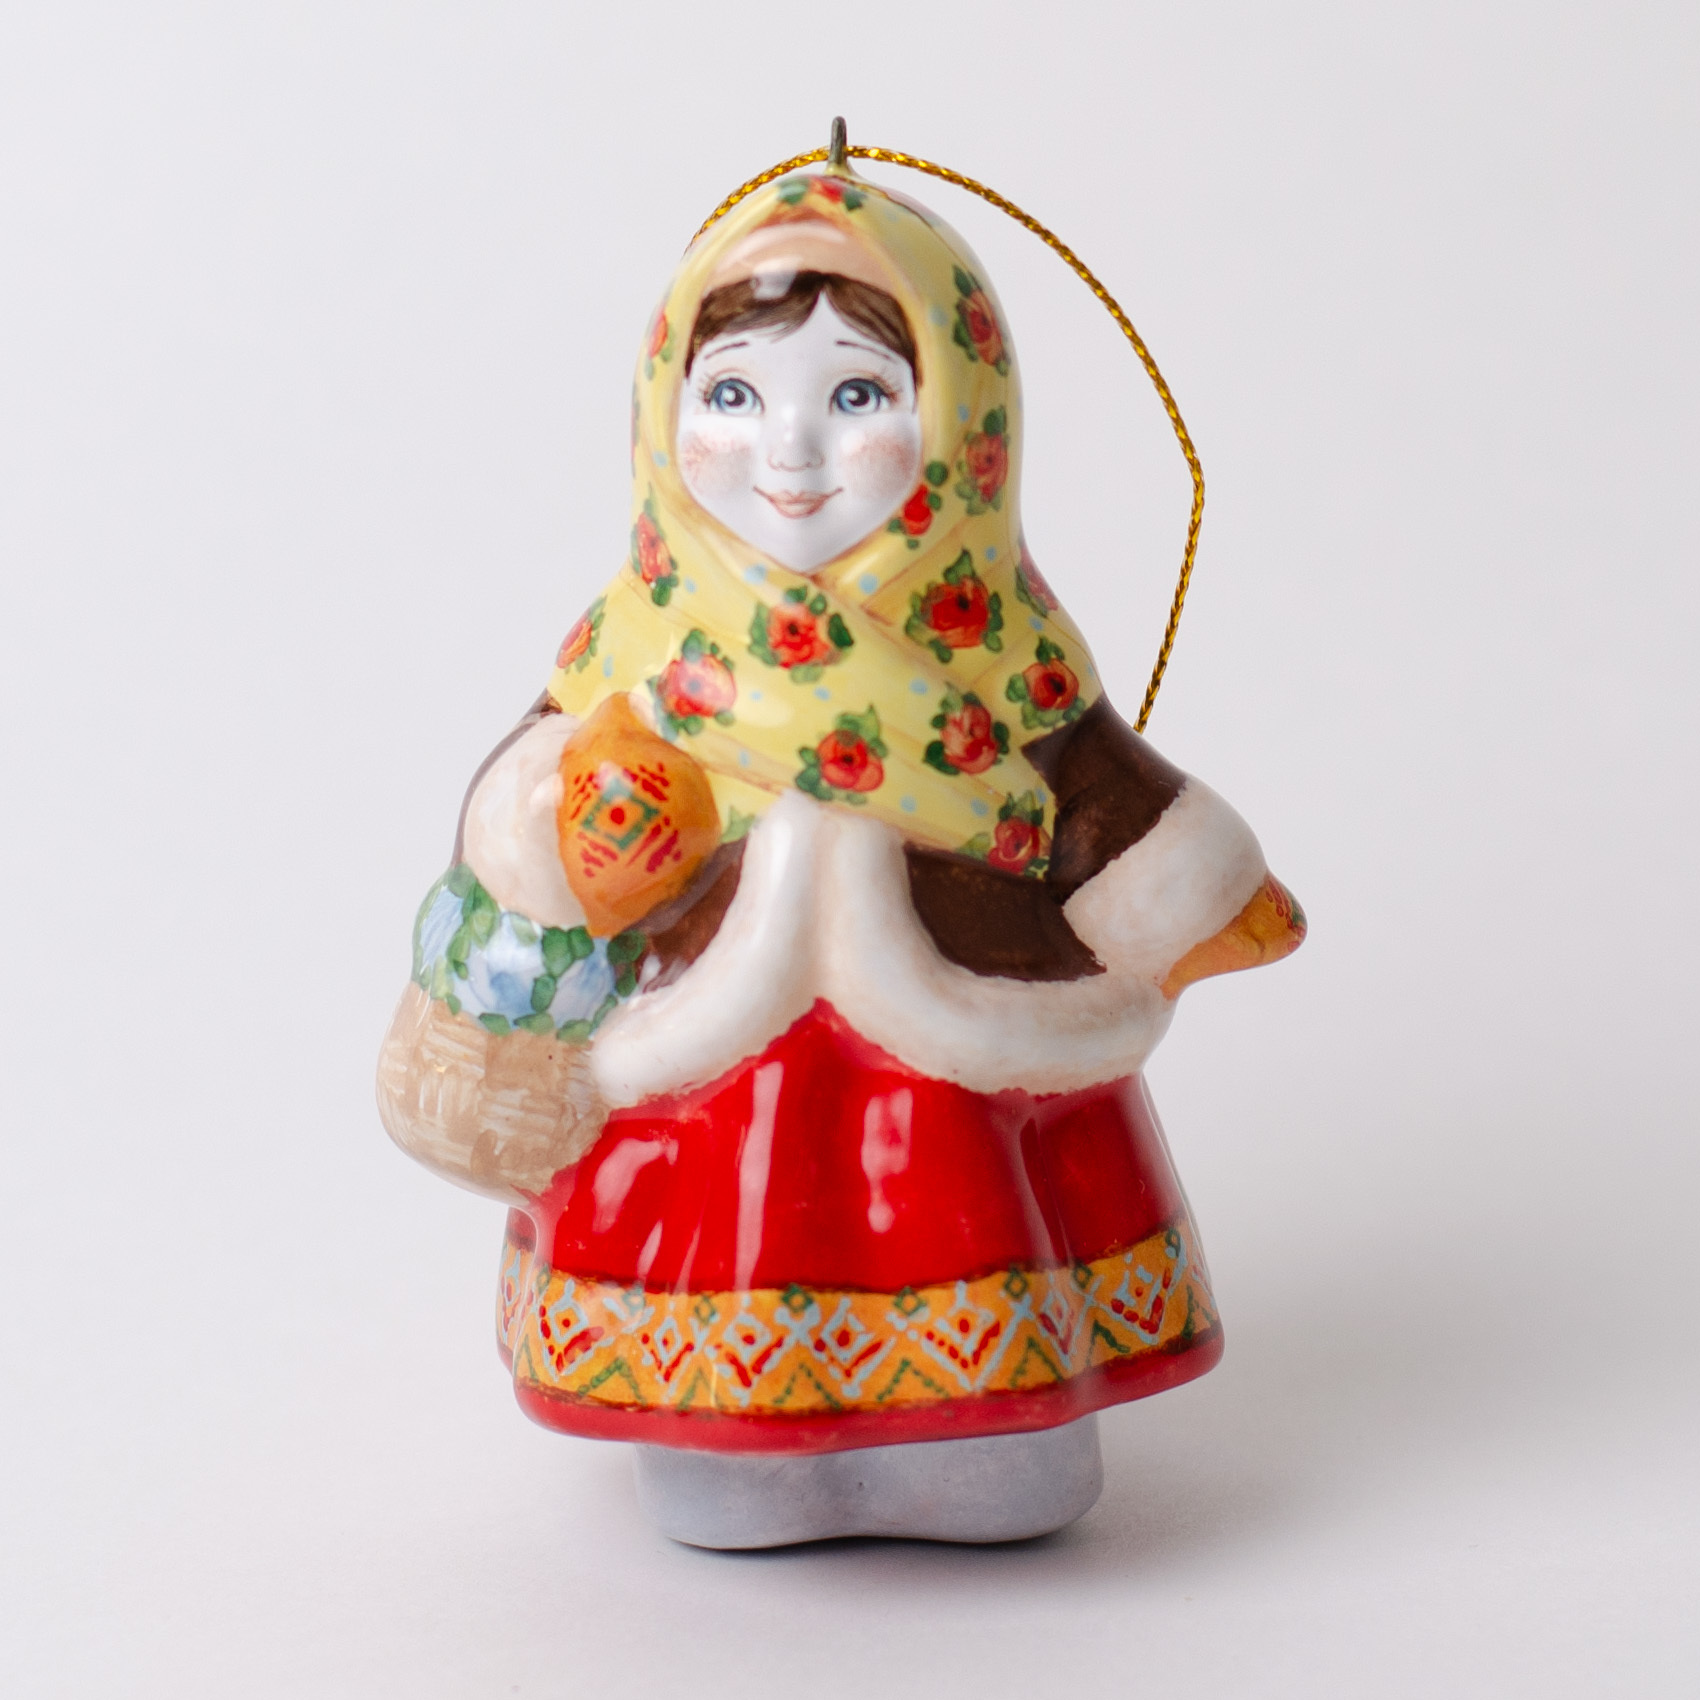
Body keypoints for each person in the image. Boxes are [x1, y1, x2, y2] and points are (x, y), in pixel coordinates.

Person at [377, 165, 1305, 1547]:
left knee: (997, 1398)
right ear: (662, 413)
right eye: (734, 396)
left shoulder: (1005, 651)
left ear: (965, 421)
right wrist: (548, 821)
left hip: (970, 1065)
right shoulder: (639, 648)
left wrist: (1187, 882)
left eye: (859, 395)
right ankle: (733, 1432)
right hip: (704, 1079)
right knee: (727, 1439)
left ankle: (992, 1418)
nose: (790, 453)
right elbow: (523, 798)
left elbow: (1100, 792)